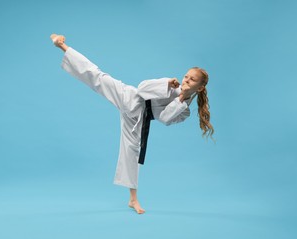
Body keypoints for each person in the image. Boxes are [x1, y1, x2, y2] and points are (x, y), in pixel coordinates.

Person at [50, 34, 214, 214]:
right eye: (186, 76)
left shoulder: (185, 110)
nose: (186, 80)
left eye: (191, 80)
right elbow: (142, 88)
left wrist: (180, 99)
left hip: (137, 120)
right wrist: (166, 82)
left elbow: (165, 118)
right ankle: (63, 47)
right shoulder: (172, 86)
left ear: (199, 88)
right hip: (131, 98)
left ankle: (132, 199)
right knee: (98, 77)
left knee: (132, 154)